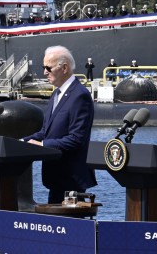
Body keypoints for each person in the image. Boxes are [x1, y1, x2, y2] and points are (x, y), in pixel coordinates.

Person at [22, 45, 96, 203]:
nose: (44, 72)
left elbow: (76, 138)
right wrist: (23, 142)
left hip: (71, 179)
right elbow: (46, 131)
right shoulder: (56, 94)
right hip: (55, 178)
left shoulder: (79, 95)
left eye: (48, 68)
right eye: (44, 67)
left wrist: (43, 145)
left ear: (64, 68)